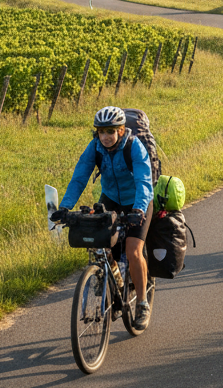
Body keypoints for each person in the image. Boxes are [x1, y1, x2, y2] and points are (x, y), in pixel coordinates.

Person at [56, 105, 155, 330]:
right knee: (101, 247)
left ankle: (142, 303)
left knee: (133, 251)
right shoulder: (95, 148)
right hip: (110, 199)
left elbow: (143, 182)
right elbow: (80, 177)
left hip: (138, 201)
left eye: (110, 131)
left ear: (121, 130)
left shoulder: (134, 147)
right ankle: (117, 291)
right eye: (101, 132)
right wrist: (65, 206)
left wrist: (138, 210)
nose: (106, 136)